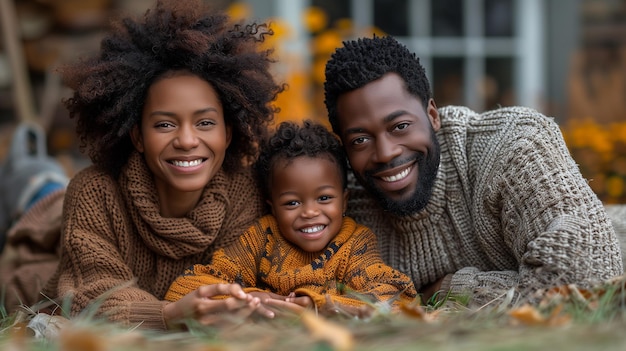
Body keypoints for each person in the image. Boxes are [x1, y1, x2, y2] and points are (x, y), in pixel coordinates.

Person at [2, 0, 286, 330]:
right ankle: (31, 175)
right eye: (165, 125)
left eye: (205, 123)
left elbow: (241, 282)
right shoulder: (96, 193)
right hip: (55, 238)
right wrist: (166, 315)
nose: (187, 140)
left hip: (83, 224)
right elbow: (92, 296)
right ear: (137, 137)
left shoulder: (244, 195)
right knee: (44, 205)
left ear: (228, 133)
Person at [322, 35, 624, 307]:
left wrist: (447, 291)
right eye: (360, 139)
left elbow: (587, 284)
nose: (386, 152)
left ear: (432, 115)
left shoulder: (514, 144)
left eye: (400, 126)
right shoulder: (339, 204)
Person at [164, 120, 417, 320]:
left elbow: (396, 298)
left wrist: (318, 307)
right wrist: (252, 298)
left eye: (324, 198)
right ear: (272, 208)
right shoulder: (261, 238)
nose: (309, 212)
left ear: (345, 201)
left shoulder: (353, 243)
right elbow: (185, 288)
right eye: (292, 203)